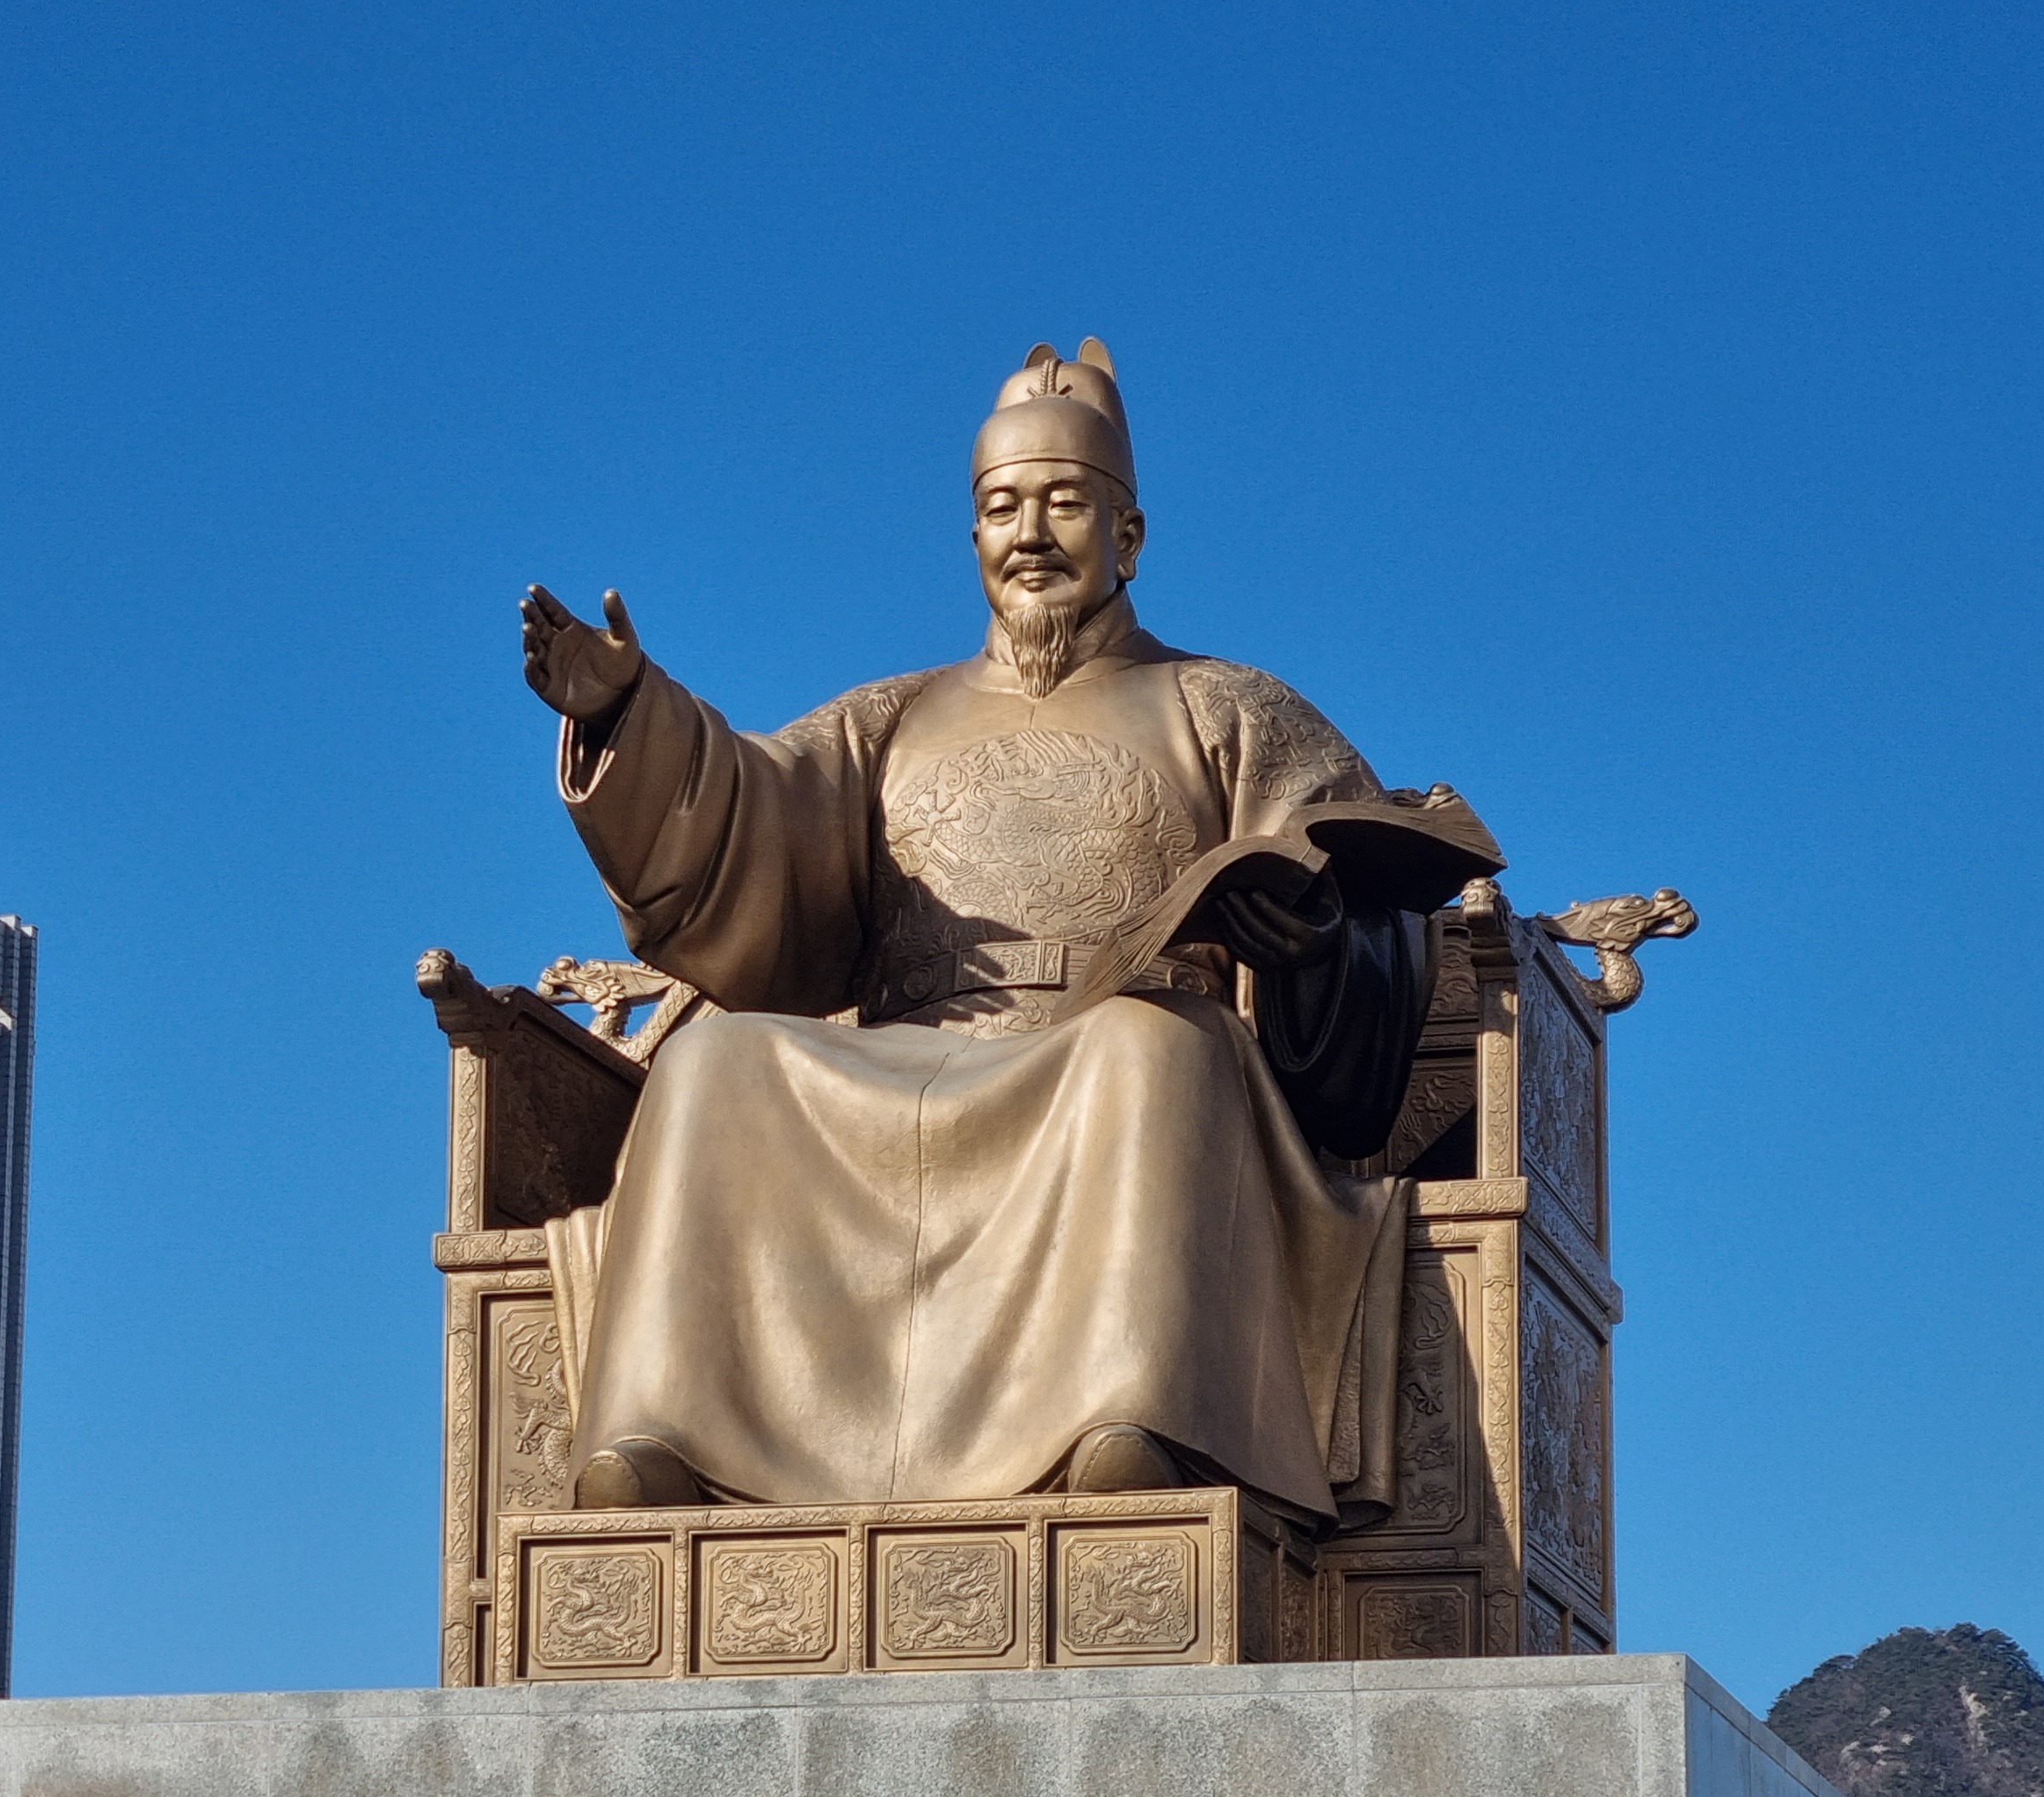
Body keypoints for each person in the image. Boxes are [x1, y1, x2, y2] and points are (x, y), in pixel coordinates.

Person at [517, 340, 1500, 1521]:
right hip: (904, 1044)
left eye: (1064, 504)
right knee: (717, 1060)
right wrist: (631, 713)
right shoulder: (890, 717)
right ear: (973, 539)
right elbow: (753, 816)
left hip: (1109, 1048)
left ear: (1128, 536)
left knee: (1152, 1052)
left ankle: (1133, 1424)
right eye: (1001, 509)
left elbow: (1349, 876)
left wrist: (1313, 943)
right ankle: (665, 1434)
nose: (1030, 533)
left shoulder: (1231, 708)